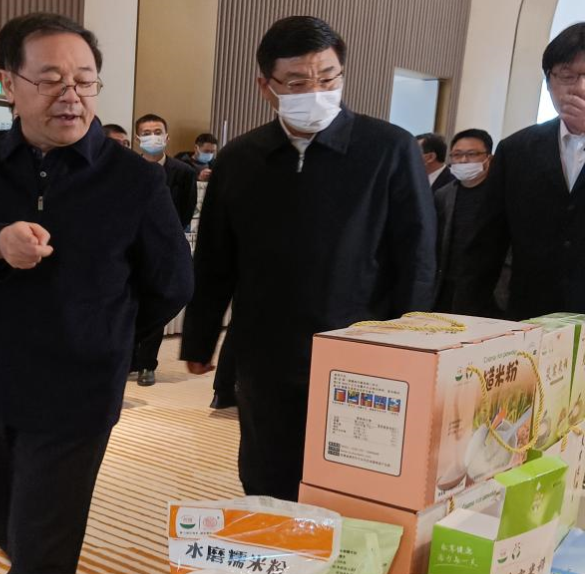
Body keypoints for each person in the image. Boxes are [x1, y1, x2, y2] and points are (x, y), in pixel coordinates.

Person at [0, 13, 193, 574]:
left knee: (43, 544)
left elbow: (173, 281)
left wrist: (106, 334)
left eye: (84, 81)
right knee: (9, 519)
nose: (71, 95)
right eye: (50, 79)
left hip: (78, 388)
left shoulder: (135, 179)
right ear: (9, 84)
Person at [180, 16, 436, 501]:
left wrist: (410, 348)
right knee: (267, 473)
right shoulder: (240, 158)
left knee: (354, 481)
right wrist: (199, 338)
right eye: (297, 82)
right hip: (267, 351)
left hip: (363, 350)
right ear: (266, 86)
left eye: (327, 77)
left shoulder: (388, 148)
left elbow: (417, 256)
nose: (315, 92)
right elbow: (215, 258)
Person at [455, 23, 585, 319]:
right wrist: (472, 314)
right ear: (548, 82)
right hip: (529, 319)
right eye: (567, 76)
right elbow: (486, 244)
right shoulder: (516, 150)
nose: (579, 87)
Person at [131, 113, 198, 387]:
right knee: (131, 303)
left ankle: (148, 364)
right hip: (131, 248)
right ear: (138, 138)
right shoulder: (128, 169)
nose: (152, 137)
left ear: (167, 136)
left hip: (165, 248)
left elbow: (186, 210)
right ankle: (130, 359)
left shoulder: (183, 172)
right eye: (146, 133)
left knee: (158, 301)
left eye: (157, 131)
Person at [433, 129, 495, 312]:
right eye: (457, 155)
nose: (463, 160)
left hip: (489, 289)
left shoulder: (501, 193)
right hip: (448, 284)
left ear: (489, 158)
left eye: (472, 154)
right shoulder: (443, 194)